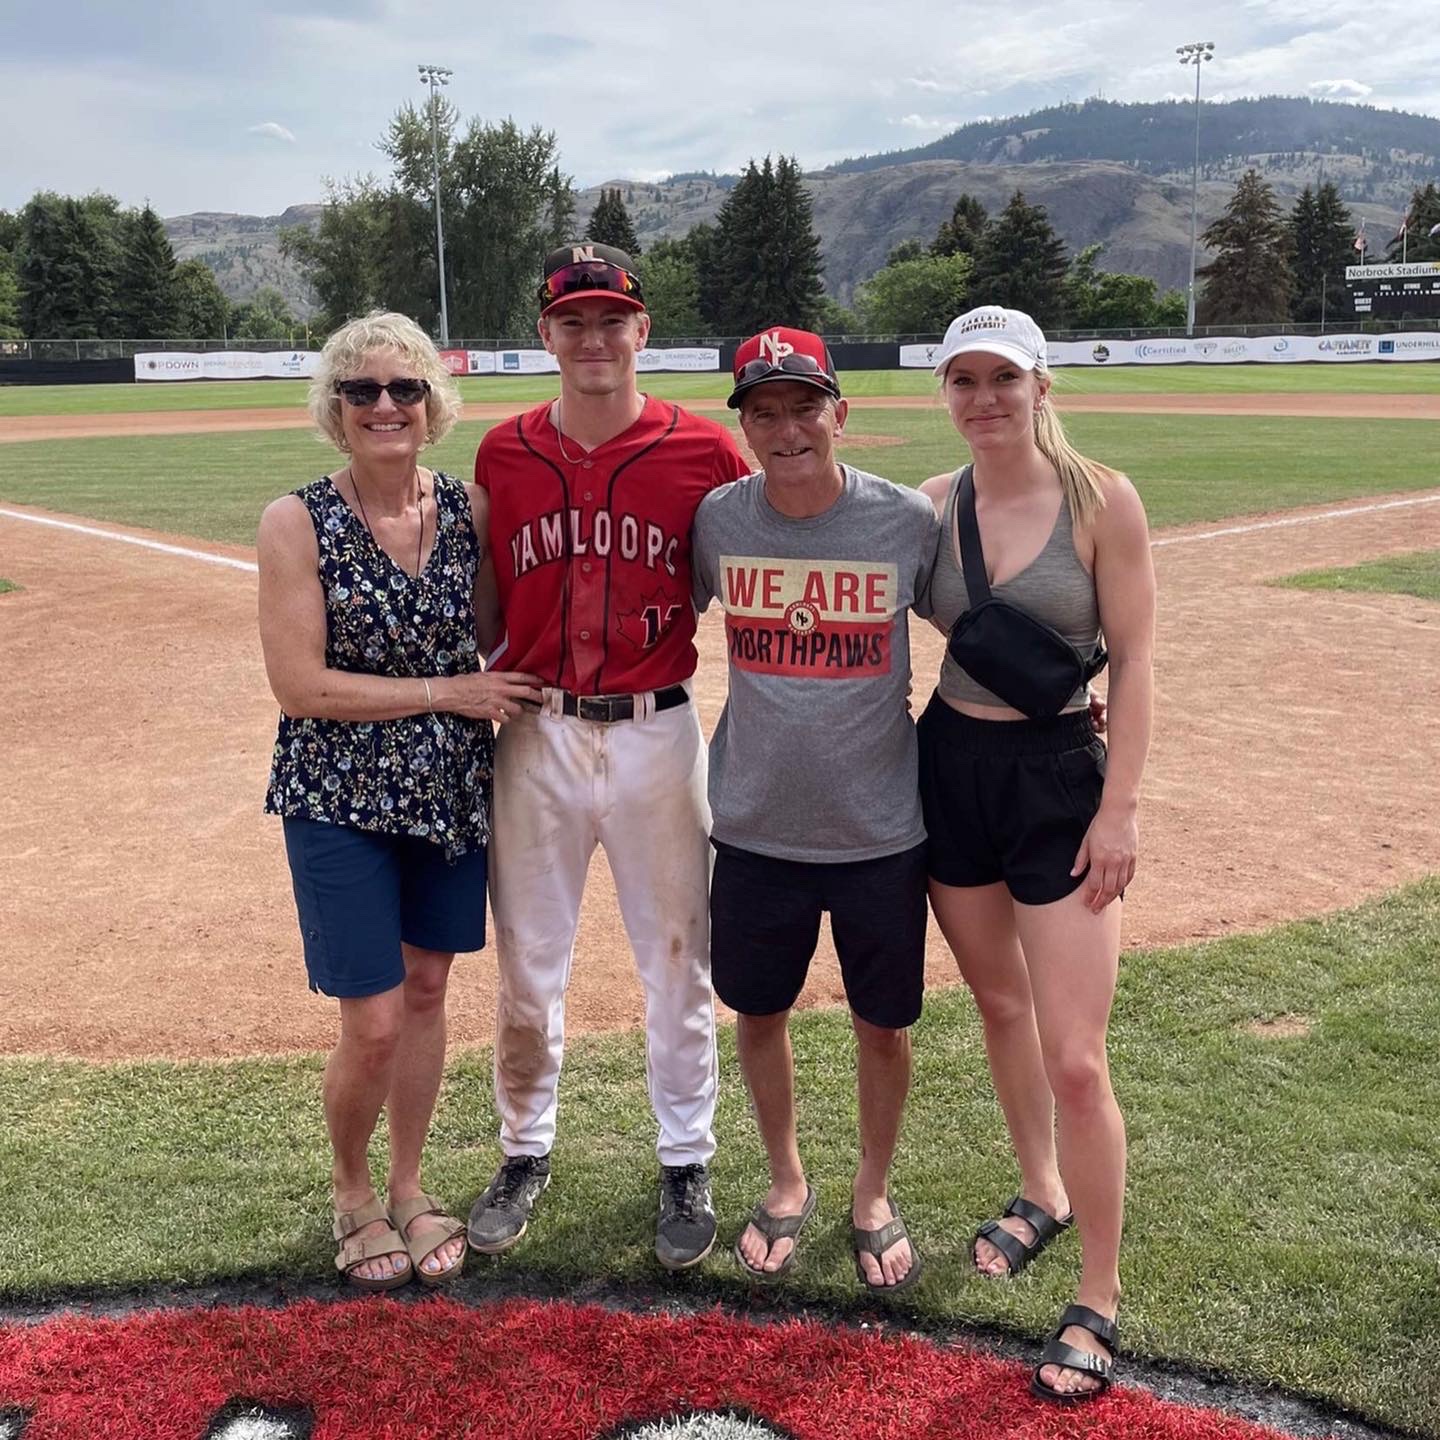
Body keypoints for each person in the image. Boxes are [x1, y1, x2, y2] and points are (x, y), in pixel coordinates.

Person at [468, 243, 750, 1270]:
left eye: (611, 319)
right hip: (535, 733)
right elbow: (484, 606)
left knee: (679, 958)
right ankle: (523, 1148)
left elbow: (756, 575)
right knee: (527, 962)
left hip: (656, 732)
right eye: (572, 320)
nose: (593, 339)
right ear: (545, 335)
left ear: (643, 332)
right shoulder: (501, 453)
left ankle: (686, 1157)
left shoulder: (706, 451)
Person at [258, 311, 542, 1292]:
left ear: (433, 404)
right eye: (363, 391)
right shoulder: (298, 521)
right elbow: (300, 687)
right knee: (371, 1020)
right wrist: (447, 693)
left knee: (428, 993)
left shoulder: (469, 511)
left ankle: (412, 1186)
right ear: (336, 410)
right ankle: (351, 1193)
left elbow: (506, 636)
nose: (386, 406)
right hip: (339, 794)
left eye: (404, 389)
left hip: (449, 794)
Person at [917, 306, 1155, 1401]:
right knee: (999, 1008)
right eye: (964, 380)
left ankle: (1097, 1297)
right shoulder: (929, 508)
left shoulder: (1104, 503)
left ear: (1041, 386)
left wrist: (1120, 810)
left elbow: (1138, 664)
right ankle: (1039, 1190)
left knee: (1076, 1054)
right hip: (950, 772)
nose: (983, 399)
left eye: (1002, 379)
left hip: (1059, 783)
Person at [691, 328, 940, 1293]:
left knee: (883, 1023)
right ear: (745, 426)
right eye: (765, 411)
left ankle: (872, 1190)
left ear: (841, 412)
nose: (787, 428)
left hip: (881, 826)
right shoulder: (719, 520)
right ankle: (788, 1178)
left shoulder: (904, 521)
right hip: (753, 822)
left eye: (805, 407)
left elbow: (974, 623)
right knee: (760, 1011)